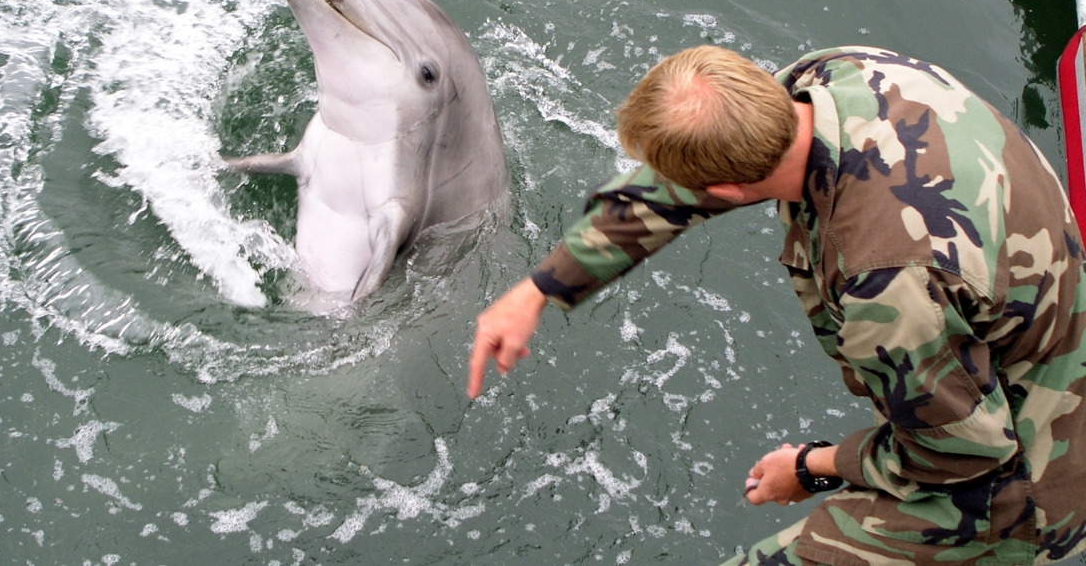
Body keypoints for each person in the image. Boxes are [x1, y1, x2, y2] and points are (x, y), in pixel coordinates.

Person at [465, 45, 1086, 565]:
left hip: (1029, 482)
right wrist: (541, 287)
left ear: (730, 192)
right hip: (1023, 336)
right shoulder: (836, 77)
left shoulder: (883, 281)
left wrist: (814, 467)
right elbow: (687, 176)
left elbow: (961, 453)